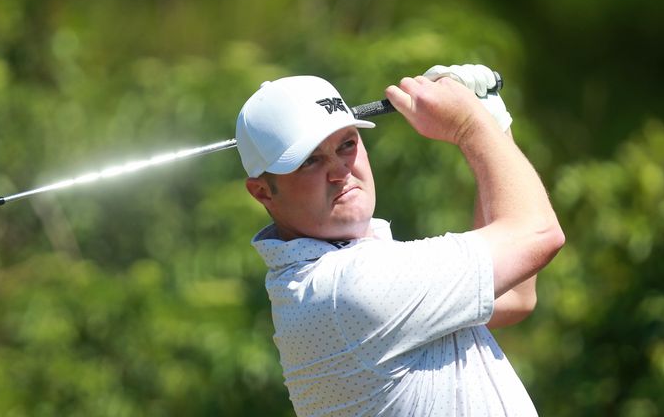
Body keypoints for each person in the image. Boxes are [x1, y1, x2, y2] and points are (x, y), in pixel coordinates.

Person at [235, 64, 565, 416]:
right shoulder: (347, 288)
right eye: (309, 161)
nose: (340, 171)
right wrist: (471, 126)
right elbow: (539, 234)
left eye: (347, 144)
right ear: (262, 192)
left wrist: (494, 125)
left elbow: (514, 297)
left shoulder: (328, 279)